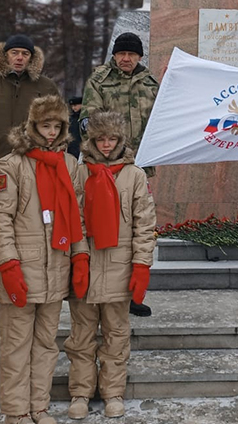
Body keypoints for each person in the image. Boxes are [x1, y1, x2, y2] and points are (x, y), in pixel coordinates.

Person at [0, 96, 88, 424]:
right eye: (46, 125)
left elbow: (78, 217)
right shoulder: (11, 165)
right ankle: (16, 411)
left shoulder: (70, 166)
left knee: (45, 345)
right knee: (16, 346)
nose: (51, 132)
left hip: (56, 268)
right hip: (23, 268)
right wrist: (8, 264)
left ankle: (38, 406)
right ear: (33, 125)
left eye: (57, 126)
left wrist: (80, 255)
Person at [64, 110, 156, 420]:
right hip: (86, 267)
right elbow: (72, 219)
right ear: (91, 140)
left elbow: (145, 224)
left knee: (117, 335)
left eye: (112, 139)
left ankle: (113, 391)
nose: (106, 145)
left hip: (120, 266)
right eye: (100, 139)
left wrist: (142, 265)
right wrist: (78, 256)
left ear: (121, 140)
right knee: (81, 336)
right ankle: (80, 391)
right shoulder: (79, 173)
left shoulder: (134, 175)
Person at [80, 32, 160, 317]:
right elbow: (87, 121)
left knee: (137, 229)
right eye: (121, 54)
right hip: (106, 167)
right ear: (114, 55)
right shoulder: (99, 81)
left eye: (132, 54)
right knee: (107, 227)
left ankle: (134, 292)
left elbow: (160, 122)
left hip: (139, 168)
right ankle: (99, 287)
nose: (126, 59)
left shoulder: (151, 84)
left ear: (140, 57)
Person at [0, 33, 59, 158]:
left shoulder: (46, 86)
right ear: (6, 56)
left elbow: (59, 123)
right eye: (14, 52)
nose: (19, 57)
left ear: (31, 58)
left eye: (25, 54)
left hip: (33, 158)